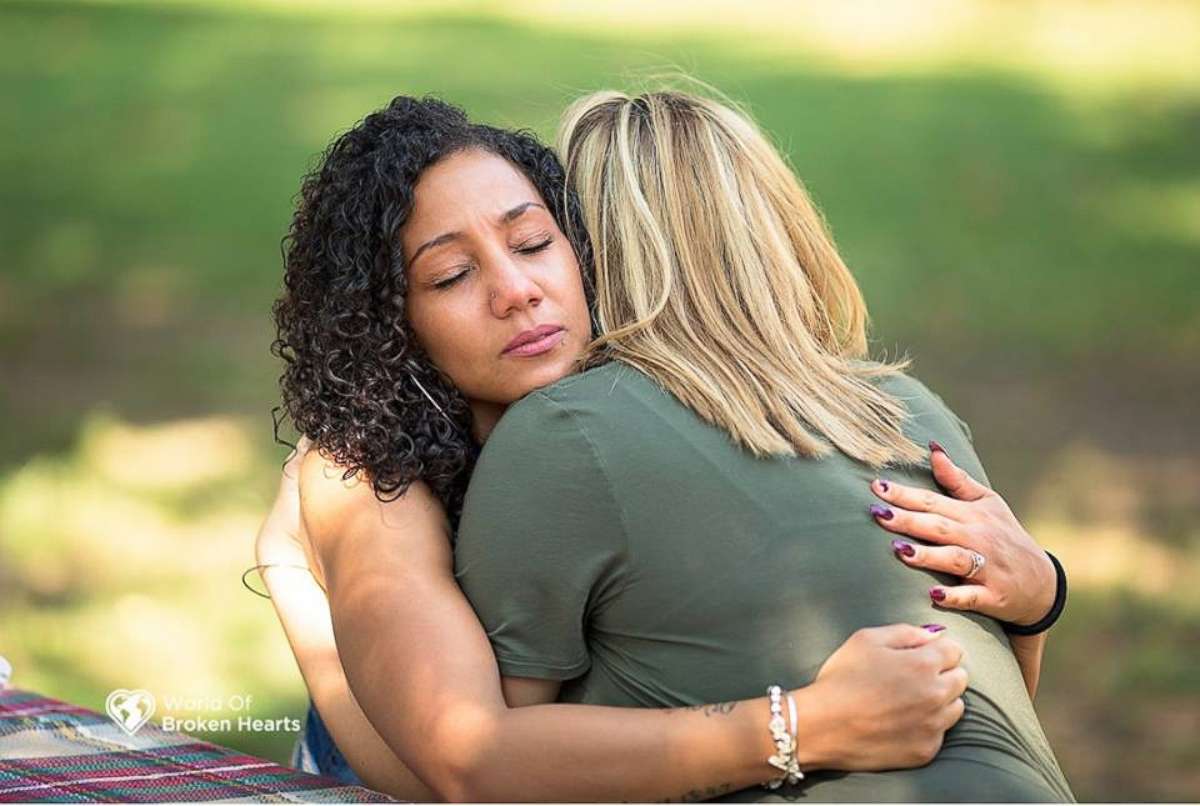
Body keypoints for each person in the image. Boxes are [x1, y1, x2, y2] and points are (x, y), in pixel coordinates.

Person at [257, 94, 1065, 802]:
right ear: (390, 325)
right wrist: (294, 579)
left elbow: (970, 698)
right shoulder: (365, 475)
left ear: (586, 251)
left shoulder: (627, 422)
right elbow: (457, 773)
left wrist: (1037, 597)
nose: (516, 290)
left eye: (534, 243)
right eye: (450, 277)